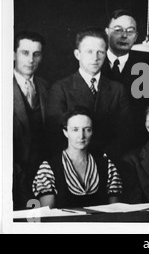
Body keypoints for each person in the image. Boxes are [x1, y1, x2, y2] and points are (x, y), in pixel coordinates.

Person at [46, 27, 130, 163]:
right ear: (77, 54)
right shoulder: (60, 88)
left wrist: (106, 159)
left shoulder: (117, 89)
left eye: (100, 52)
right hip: (72, 164)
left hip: (108, 163)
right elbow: (55, 135)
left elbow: (124, 132)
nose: (95, 58)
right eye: (89, 52)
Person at [33, 107, 123, 208]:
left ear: (92, 132)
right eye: (75, 130)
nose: (81, 136)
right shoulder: (48, 169)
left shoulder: (107, 166)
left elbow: (115, 213)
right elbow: (48, 217)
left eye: (87, 129)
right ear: (65, 132)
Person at [102, 9, 149, 148]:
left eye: (130, 31)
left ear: (136, 36)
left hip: (135, 147)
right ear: (107, 31)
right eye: (118, 30)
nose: (124, 35)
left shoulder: (148, 66)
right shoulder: (94, 62)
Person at [13, 31, 49, 210]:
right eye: (25, 53)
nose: (30, 60)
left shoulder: (46, 87)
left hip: (40, 177)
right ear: (13, 54)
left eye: (36, 54)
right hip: (11, 175)